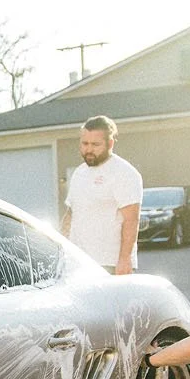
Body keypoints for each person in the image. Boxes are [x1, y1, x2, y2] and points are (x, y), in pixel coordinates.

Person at [61, 115, 142, 275]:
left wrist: (125, 259)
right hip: (78, 262)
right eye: (85, 144)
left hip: (109, 263)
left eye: (95, 144)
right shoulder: (79, 172)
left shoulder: (124, 173)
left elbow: (131, 219)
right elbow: (71, 213)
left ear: (110, 143)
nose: (89, 149)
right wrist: (61, 247)